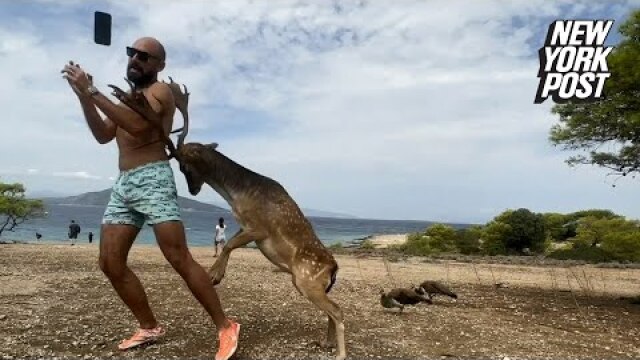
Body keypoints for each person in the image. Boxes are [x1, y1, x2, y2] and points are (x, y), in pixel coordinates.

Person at [61, 37, 239, 360]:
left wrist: (92, 91)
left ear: (160, 65)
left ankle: (226, 326)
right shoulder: (128, 98)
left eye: (145, 56)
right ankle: (149, 326)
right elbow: (104, 135)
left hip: (154, 178)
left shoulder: (160, 93)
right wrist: (83, 99)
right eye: (132, 54)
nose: (136, 60)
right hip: (125, 184)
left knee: (178, 256)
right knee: (110, 261)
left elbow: (139, 128)